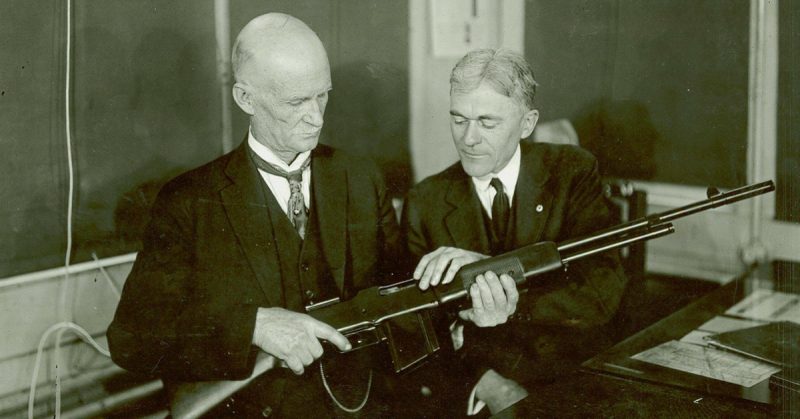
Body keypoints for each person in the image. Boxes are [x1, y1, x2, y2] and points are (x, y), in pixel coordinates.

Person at [107, 13, 405, 417]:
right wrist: (254, 325)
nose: (317, 117)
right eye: (296, 101)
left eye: (323, 95)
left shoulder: (362, 178)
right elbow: (132, 337)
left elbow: (402, 293)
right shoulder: (188, 201)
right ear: (246, 98)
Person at [401, 48, 628, 415]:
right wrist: (490, 386)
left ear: (527, 123)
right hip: (480, 385)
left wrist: (498, 283)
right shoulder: (425, 200)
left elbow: (601, 293)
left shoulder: (571, 172)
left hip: (571, 379)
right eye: (459, 120)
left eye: (487, 123)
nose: (468, 139)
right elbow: (415, 331)